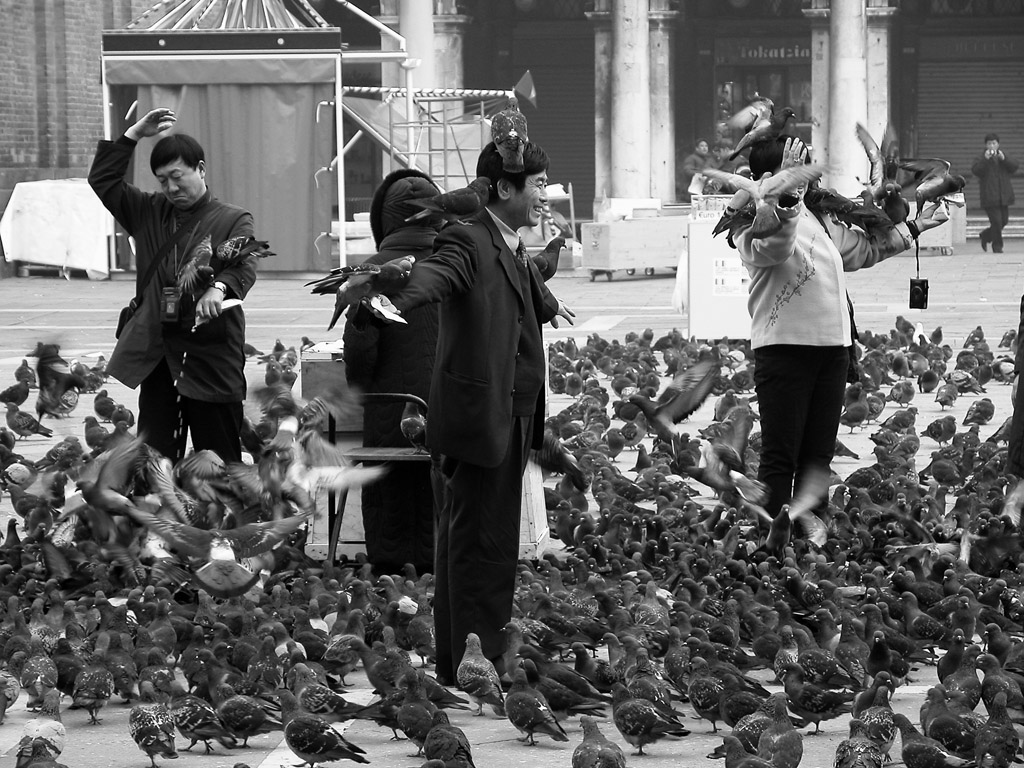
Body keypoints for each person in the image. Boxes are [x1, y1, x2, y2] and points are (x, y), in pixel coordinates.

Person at [332, 141, 574, 684]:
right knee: (475, 544)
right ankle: (473, 660)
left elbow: (522, 300)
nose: (545, 195)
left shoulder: (511, 243)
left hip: (510, 414)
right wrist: (387, 297)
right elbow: (435, 275)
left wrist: (548, 306)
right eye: (537, 185)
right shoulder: (468, 238)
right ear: (504, 188)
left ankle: (477, 654)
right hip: (478, 419)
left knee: (491, 542)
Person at [731, 136, 948, 519]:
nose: (807, 175)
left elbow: (863, 250)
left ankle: (811, 536)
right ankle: (773, 539)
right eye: (795, 167)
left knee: (817, 457)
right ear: (766, 176)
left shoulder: (818, 214)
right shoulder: (750, 219)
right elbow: (776, 249)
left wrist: (915, 227)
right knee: (781, 456)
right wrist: (786, 199)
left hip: (832, 350)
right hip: (784, 350)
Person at [89, 107, 258, 463]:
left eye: (178, 177)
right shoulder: (147, 211)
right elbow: (103, 181)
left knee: (219, 462)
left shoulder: (233, 218)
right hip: (159, 353)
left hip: (210, 355)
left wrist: (219, 288)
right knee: (154, 464)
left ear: (201, 169)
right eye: (162, 180)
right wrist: (133, 134)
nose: (171, 187)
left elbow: (243, 264)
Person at [342, 169, 444, 575]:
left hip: (390, 413)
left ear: (384, 219)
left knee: (391, 491)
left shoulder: (372, 271)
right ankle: (437, 565)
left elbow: (359, 362)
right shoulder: (456, 265)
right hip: (449, 413)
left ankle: (390, 569)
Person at [972, 132, 1017, 254]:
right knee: (996, 222)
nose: (992, 146)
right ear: (986, 145)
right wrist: (985, 160)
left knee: (1004, 221)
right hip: (989, 196)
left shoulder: (1003, 155)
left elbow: (1014, 167)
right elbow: (976, 170)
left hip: (1003, 195)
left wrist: (1004, 159)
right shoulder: (981, 158)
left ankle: (986, 236)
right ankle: (997, 247)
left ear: (998, 144)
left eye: (994, 143)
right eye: (989, 144)